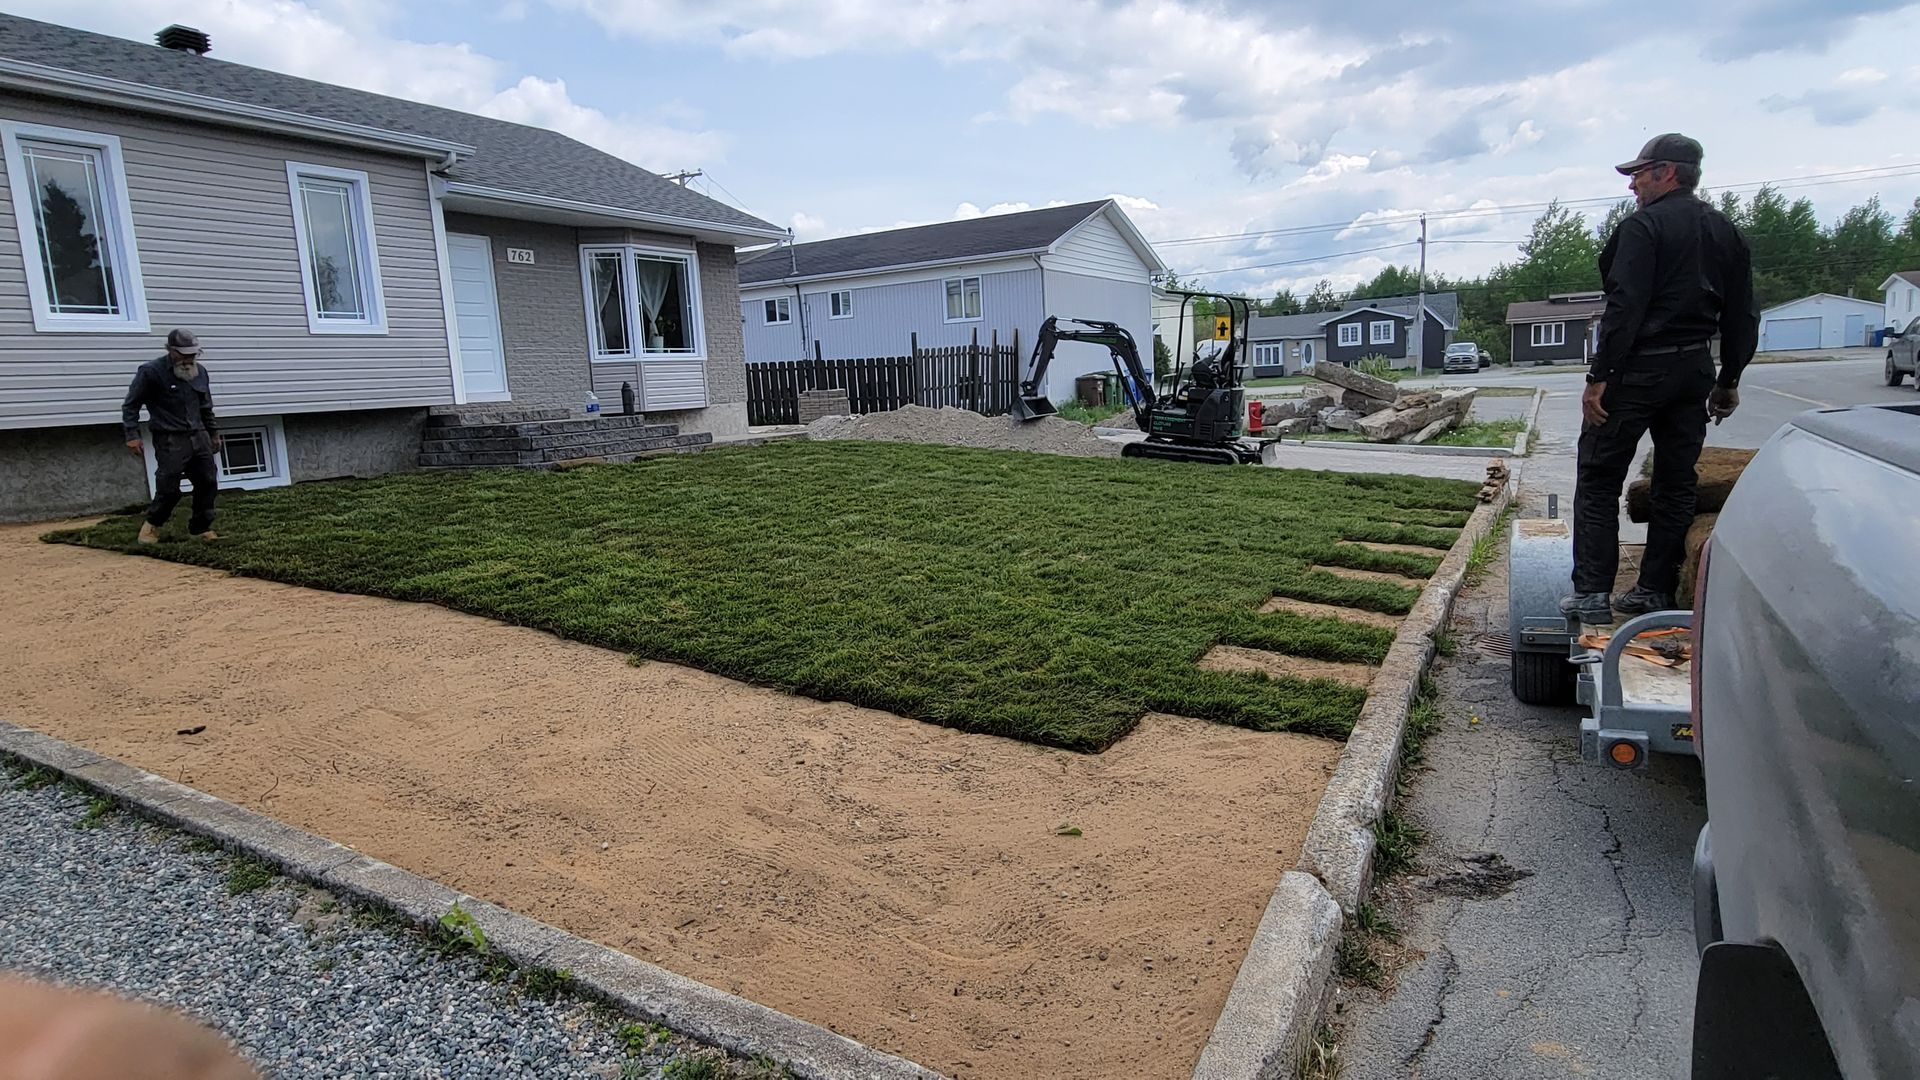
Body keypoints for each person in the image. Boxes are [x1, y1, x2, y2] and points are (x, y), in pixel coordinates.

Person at [1561, 133, 1758, 625]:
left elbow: (1625, 306)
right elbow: (1742, 315)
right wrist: (1728, 377)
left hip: (1639, 368)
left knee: (1600, 477)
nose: (1632, 185)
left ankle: (1590, 593)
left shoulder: (1643, 229)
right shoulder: (1724, 231)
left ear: (1667, 172)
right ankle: (1653, 590)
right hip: (1694, 369)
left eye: (1638, 174)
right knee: (1676, 482)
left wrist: (1600, 375)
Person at [124, 329, 222, 544]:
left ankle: (200, 528)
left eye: (193, 354)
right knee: (168, 485)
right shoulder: (151, 372)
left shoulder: (201, 372)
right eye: (184, 354)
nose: (189, 359)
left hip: (199, 435)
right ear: (170, 351)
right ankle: (151, 527)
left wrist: (213, 433)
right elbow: (131, 405)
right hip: (170, 438)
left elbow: (206, 406)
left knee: (208, 481)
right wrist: (132, 435)